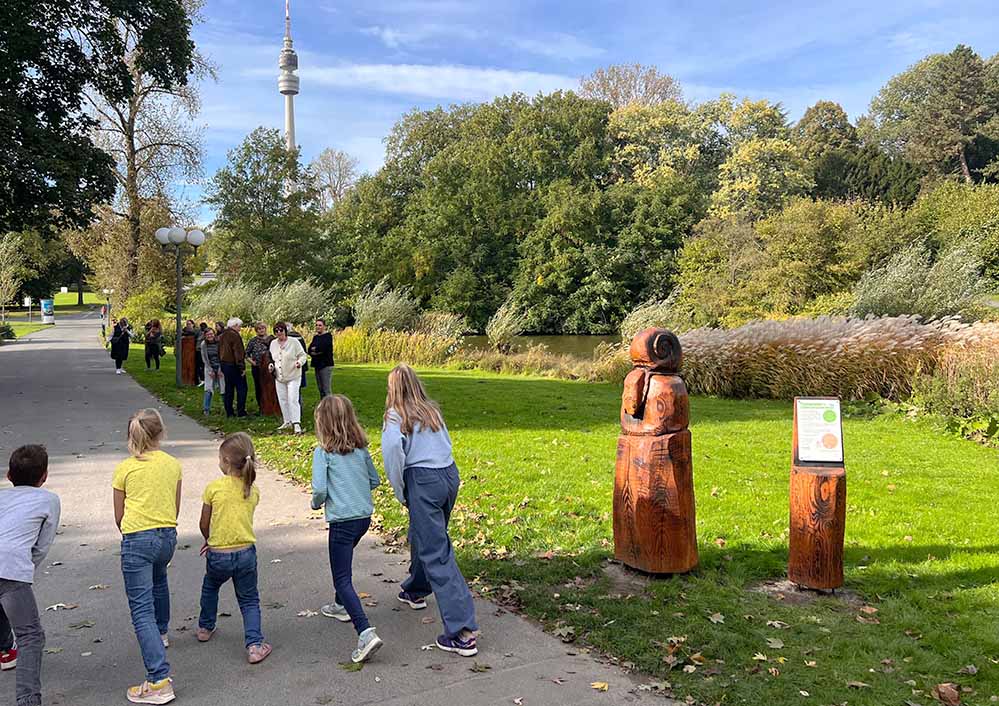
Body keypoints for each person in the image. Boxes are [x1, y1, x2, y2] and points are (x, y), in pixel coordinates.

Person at [382, 364, 479, 657]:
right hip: (447, 474)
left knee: (437, 550)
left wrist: (401, 492)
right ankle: (416, 588)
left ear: (393, 388)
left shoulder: (395, 416)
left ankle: (462, 631)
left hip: (422, 478)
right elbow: (446, 443)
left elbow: (393, 456)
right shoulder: (431, 411)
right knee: (426, 536)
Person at [112, 409, 182, 704]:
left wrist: (130, 533)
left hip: (137, 538)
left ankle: (158, 680)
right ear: (161, 433)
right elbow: (175, 505)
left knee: (141, 611)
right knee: (159, 579)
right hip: (166, 534)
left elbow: (119, 514)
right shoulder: (173, 465)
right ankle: (162, 631)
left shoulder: (125, 469)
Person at [312, 396, 384, 663]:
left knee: (341, 577)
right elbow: (373, 480)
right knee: (342, 566)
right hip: (363, 518)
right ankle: (340, 605)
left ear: (323, 424)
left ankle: (364, 631)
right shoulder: (361, 450)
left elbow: (320, 489)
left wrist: (316, 502)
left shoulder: (323, 453)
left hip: (341, 522)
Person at [197, 432, 272, 664]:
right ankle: (254, 645)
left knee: (211, 586)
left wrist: (209, 539)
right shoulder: (252, 490)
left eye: (220, 458)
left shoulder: (213, 489)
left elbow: (204, 522)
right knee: (249, 598)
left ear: (226, 462)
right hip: (246, 553)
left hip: (218, 553)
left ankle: (205, 627)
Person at [0, 445, 61, 706]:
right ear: (44, 476)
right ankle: (28, 699)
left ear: (8, 475)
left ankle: (5, 649)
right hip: (12, 568)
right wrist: (25, 567)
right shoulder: (49, 500)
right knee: (30, 635)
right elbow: (42, 546)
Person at [268, 323, 307, 434]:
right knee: (283, 399)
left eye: (281, 330)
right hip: (279, 376)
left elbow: (303, 355)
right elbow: (271, 358)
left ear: (285, 331)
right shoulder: (273, 343)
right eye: (276, 331)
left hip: (293, 375)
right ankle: (287, 421)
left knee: (293, 399)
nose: (279, 333)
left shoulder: (294, 342)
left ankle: (296, 423)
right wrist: (270, 365)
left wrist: (299, 362)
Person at [218, 318, 248, 418]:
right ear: (235, 325)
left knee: (229, 389)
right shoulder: (235, 336)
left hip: (224, 364)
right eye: (239, 326)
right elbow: (238, 352)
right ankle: (241, 411)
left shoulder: (222, 335)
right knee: (242, 388)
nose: (240, 328)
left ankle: (229, 412)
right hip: (234, 365)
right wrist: (242, 367)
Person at [245, 323, 272, 414]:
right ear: (256, 330)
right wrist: (252, 362)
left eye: (263, 328)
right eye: (259, 329)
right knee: (259, 387)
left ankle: (271, 405)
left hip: (269, 367)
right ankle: (261, 407)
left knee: (271, 386)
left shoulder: (272, 339)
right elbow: (246, 354)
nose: (261, 330)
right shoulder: (253, 341)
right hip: (258, 368)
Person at [200, 328, 225, 416]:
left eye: (211, 334)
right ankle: (206, 409)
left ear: (214, 334)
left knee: (223, 388)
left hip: (220, 366)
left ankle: (226, 408)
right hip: (209, 367)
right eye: (208, 335)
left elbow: (222, 356)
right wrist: (210, 370)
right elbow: (204, 358)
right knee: (208, 388)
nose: (210, 336)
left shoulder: (219, 343)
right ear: (205, 336)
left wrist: (219, 370)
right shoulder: (203, 344)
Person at [308, 319, 335, 398]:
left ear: (324, 326)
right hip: (317, 365)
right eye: (316, 325)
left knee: (326, 389)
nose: (318, 327)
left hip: (326, 365)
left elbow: (323, 348)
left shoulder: (328, 336)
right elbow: (309, 349)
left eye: (320, 325)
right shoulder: (315, 337)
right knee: (321, 389)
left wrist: (316, 350)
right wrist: (316, 351)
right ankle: (324, 407)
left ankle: (330, 408)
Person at [287, 324, 308, 406]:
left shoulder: (289, 338)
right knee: (297, 389)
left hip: (293, 366)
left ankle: (297, 408)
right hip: (300, 366)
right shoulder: (299, 336)